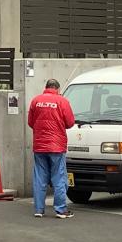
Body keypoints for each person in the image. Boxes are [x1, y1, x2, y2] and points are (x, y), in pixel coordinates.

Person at [27, 78, 76, 219]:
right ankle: (61, 210)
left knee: (39, 178)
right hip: (56, 146)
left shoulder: (36, 101)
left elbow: (31, 122)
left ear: (46, 87)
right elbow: (70, 122)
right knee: (59, 177)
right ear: (58, 89)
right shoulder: (63, 101)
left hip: (40, 146)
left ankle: (38, 209)